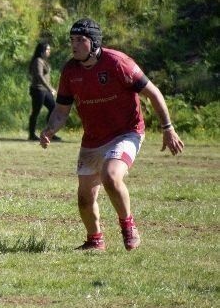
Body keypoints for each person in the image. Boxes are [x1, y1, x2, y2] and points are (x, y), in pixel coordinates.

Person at [40, 18, 185, 251]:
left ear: (94, 42)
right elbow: (61, 110)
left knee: (110, 175)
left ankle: (128, 226)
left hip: (126, 132)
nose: (74, 45)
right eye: (72, 40)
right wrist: (50, 129)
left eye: (80, 40)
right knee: (84, 198)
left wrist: (168, 128)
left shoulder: (118, 63)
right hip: (93, 138)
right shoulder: (70, 71)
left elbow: (154, 93)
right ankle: (94, 241)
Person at [27, 41, 60, 142]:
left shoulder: (43, 60)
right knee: (36, 112)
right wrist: (50, 88)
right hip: (38, 90)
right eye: (48, 49)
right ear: (42, 51)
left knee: (53, 108)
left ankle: (50, 133)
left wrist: (49, 88)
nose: (49, 51)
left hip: (45, 90)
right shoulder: (38, 61)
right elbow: (40, 76)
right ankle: (32, 135)